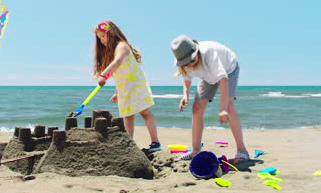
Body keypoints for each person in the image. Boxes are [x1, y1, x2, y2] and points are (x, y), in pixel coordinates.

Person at [170, 34, 249, 163]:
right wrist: (185, 95)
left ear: (196, 52)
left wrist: (223, 109)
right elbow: (186, 78)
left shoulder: (209, 54)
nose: (190, 64)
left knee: (229, 108)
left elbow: (223, 79)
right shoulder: (183, 60)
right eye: (186, 63)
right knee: (196, 108)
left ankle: (242, 150)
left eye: (192, 60)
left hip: (229, 69)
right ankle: (195, 151)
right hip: (207, 76)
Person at [93, 20, 161, 152]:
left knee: (145, 112)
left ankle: (155, 142)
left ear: (111, 33)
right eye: (99, 38)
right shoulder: (113, 51)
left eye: (102, 36)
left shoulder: (122, 46)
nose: (101, 40)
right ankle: (129, 143)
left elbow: (118, 62)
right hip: (125, 88)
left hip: (136, 85)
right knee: (128, 115)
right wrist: (117, 92)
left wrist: (104, 75)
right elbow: (121, 75)